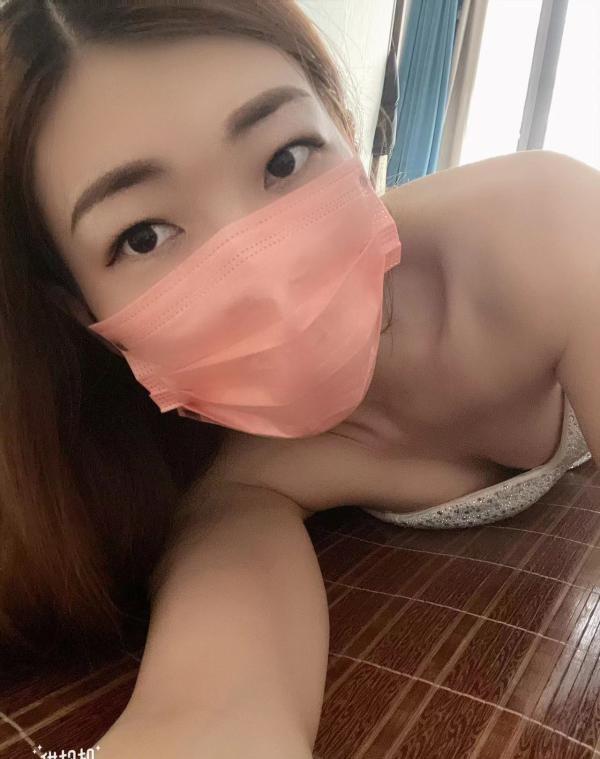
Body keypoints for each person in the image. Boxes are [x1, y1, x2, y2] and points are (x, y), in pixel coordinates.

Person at [1, 1, 599, 756]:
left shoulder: (551, 229)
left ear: (347, 135)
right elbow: (214, 722)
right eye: (143, 235)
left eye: (284, 159)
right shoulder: (229, 477)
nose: (267, 280)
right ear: (81, 311)